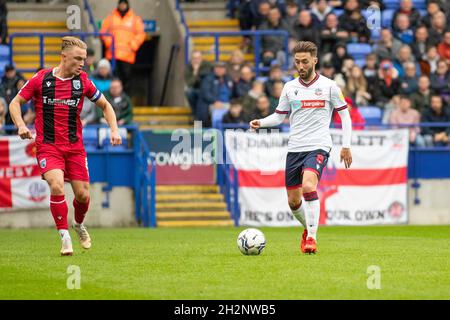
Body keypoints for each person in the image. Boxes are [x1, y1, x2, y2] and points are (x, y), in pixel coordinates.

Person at [8, 37, 122, 256]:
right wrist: (21, 125)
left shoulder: (83, 82)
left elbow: (106, 106)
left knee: (82, 196)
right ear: (64, 56)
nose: (82, 63)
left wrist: (114, 130)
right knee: (57, 185)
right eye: (78, 59)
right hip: (48, 146)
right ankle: (65, 237)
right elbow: (15, 103)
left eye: (84, 59)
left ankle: (78, 225)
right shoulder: (41, 79)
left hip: (75, 148)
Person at [249, 41, 352, 254]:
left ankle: (312, 239)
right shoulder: (289, 87)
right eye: (297, 62)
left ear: (315, 60)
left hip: (319, 146)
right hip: (295, 148)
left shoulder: (330, 86)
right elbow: (279, 117)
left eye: (305, 61)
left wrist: (346, 145)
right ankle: (308, 228)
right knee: (293, 201)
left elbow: (345, 115)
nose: (301, 66)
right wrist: (262, 122)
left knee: (308, 187)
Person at [100, 0, 146, 95]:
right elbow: (103, 32)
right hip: (113, 55)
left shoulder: (135, 19)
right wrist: (110, 43)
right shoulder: (110, 18)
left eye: (124, 4)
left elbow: (141, 34)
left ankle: (125, 100)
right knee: (113, 79)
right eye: (121, 4)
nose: (122, 6)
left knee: (127, 80)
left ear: (127, 5)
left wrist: (133, 45)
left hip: (127, 56)